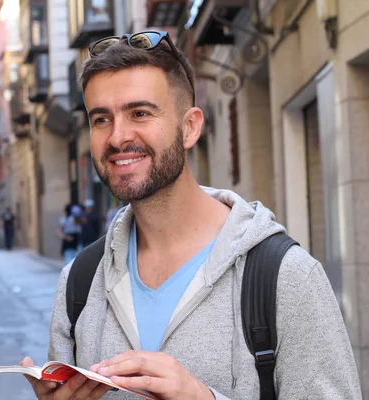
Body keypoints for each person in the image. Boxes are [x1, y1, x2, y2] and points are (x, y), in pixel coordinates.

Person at [20, 31, 361, 399]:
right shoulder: (80, 284)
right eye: (101, 119)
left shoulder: (286, 277)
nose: (118, 137)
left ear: (190, 127)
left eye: (140, 113)